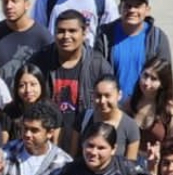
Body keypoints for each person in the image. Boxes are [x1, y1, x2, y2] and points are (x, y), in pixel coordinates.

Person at [31, 10, 114, 154]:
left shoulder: (98, 65)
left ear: (84, 32)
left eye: (72, 31)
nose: (66, 36)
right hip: (46, 146)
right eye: (61, 31)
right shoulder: (40, 60)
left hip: (85, 146)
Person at [93, 0, 172, 98]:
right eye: (128, 6)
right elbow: (96, 73)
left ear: (147, 10)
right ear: (120, 8)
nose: (132, 10)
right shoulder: (105, 36)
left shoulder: (157, 38)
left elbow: (165, 77)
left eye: (137, 6)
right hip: (113, 108)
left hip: (146, 108)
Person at [81, 75, 140, 161]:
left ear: (119, 95)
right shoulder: (84, 118)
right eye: (98, 96)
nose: (102, 101)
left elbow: (130, 165)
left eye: (107, 96)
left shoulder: (130, 126)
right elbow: (73, 155)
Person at [125, 57, 173, 147]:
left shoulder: (169, 109)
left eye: (153, 79)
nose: (146, 83)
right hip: (130, 158)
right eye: (145, 75)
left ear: (162, 84)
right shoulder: (130, 103)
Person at [0, 63, 55, 143]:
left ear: (41, 85)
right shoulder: (8, 111)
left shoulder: (51, 110)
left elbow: (55, 145)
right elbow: (3, 145)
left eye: (33, 84)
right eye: (22, 85)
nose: (28, 90)